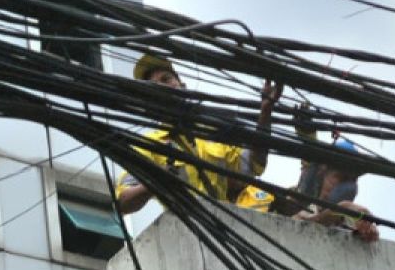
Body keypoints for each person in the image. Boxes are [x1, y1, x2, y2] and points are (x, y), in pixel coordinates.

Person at [115, 54, 280, 214]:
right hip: (185, 231)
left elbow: (253, 164)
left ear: (183, 87)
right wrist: (157, 181)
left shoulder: (213, 133)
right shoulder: (149, 145)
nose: (162, 87)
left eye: (166, 79)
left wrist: (265, 112)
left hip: (223, 226)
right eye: (154, 86)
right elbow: (122, 202)